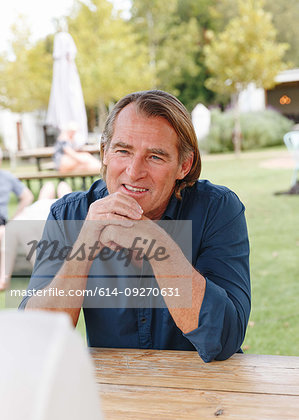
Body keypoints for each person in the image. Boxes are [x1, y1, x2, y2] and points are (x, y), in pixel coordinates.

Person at [20, 90, 251, 363]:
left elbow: (222, 340)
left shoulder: (218, 208)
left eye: (155, 157)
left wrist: (158, 244)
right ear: (105, 153)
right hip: (117, 392)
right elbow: (36, 338)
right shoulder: (69, 214)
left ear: (184, 165)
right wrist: (83, 248)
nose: (133, 171)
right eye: (123, 151)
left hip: (205, 392)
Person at [0, 181, 72, 291]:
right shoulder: (62, 206)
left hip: (35, 216)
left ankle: (4, 278)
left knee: (51, 187)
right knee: (61, 189)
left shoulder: (40, 206)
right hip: (42, 215)